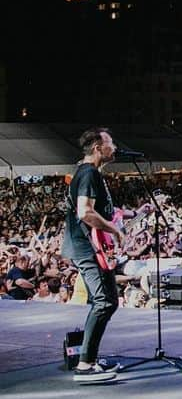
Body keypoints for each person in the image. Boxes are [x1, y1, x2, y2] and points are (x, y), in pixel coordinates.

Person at [62, 128, 125, 383]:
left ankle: (90, 357)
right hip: (87, 248)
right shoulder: (88, 173)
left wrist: (129, 215)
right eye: (110, 143)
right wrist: (115, 231)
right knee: (103, 302)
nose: (115, 148)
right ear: (98, 148)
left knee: (109, 301)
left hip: (92, 246)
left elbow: (101, 210)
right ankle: (85, 364)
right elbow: (85, 212)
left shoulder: (91, 173)